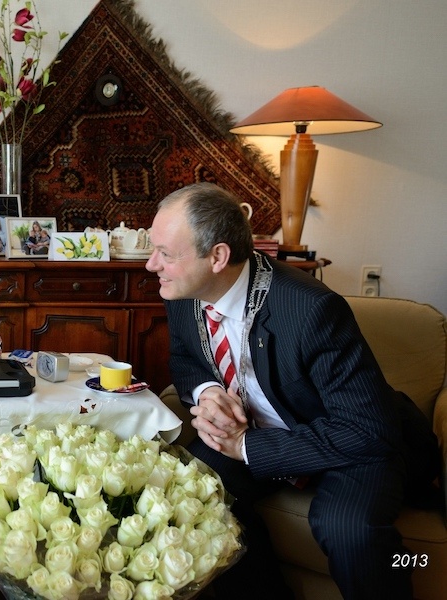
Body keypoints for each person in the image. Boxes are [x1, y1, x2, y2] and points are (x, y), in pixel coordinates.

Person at [145, 182, 439, 600]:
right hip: (264, 427)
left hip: (348, 438)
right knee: (190, 494)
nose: (151, 264)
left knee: (350, 533)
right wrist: (209, 391)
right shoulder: (183, 290)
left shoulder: (311, 310)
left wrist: (246, 447)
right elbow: (185, 358)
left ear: (218, 257)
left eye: (166, 254)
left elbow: (367, 431)